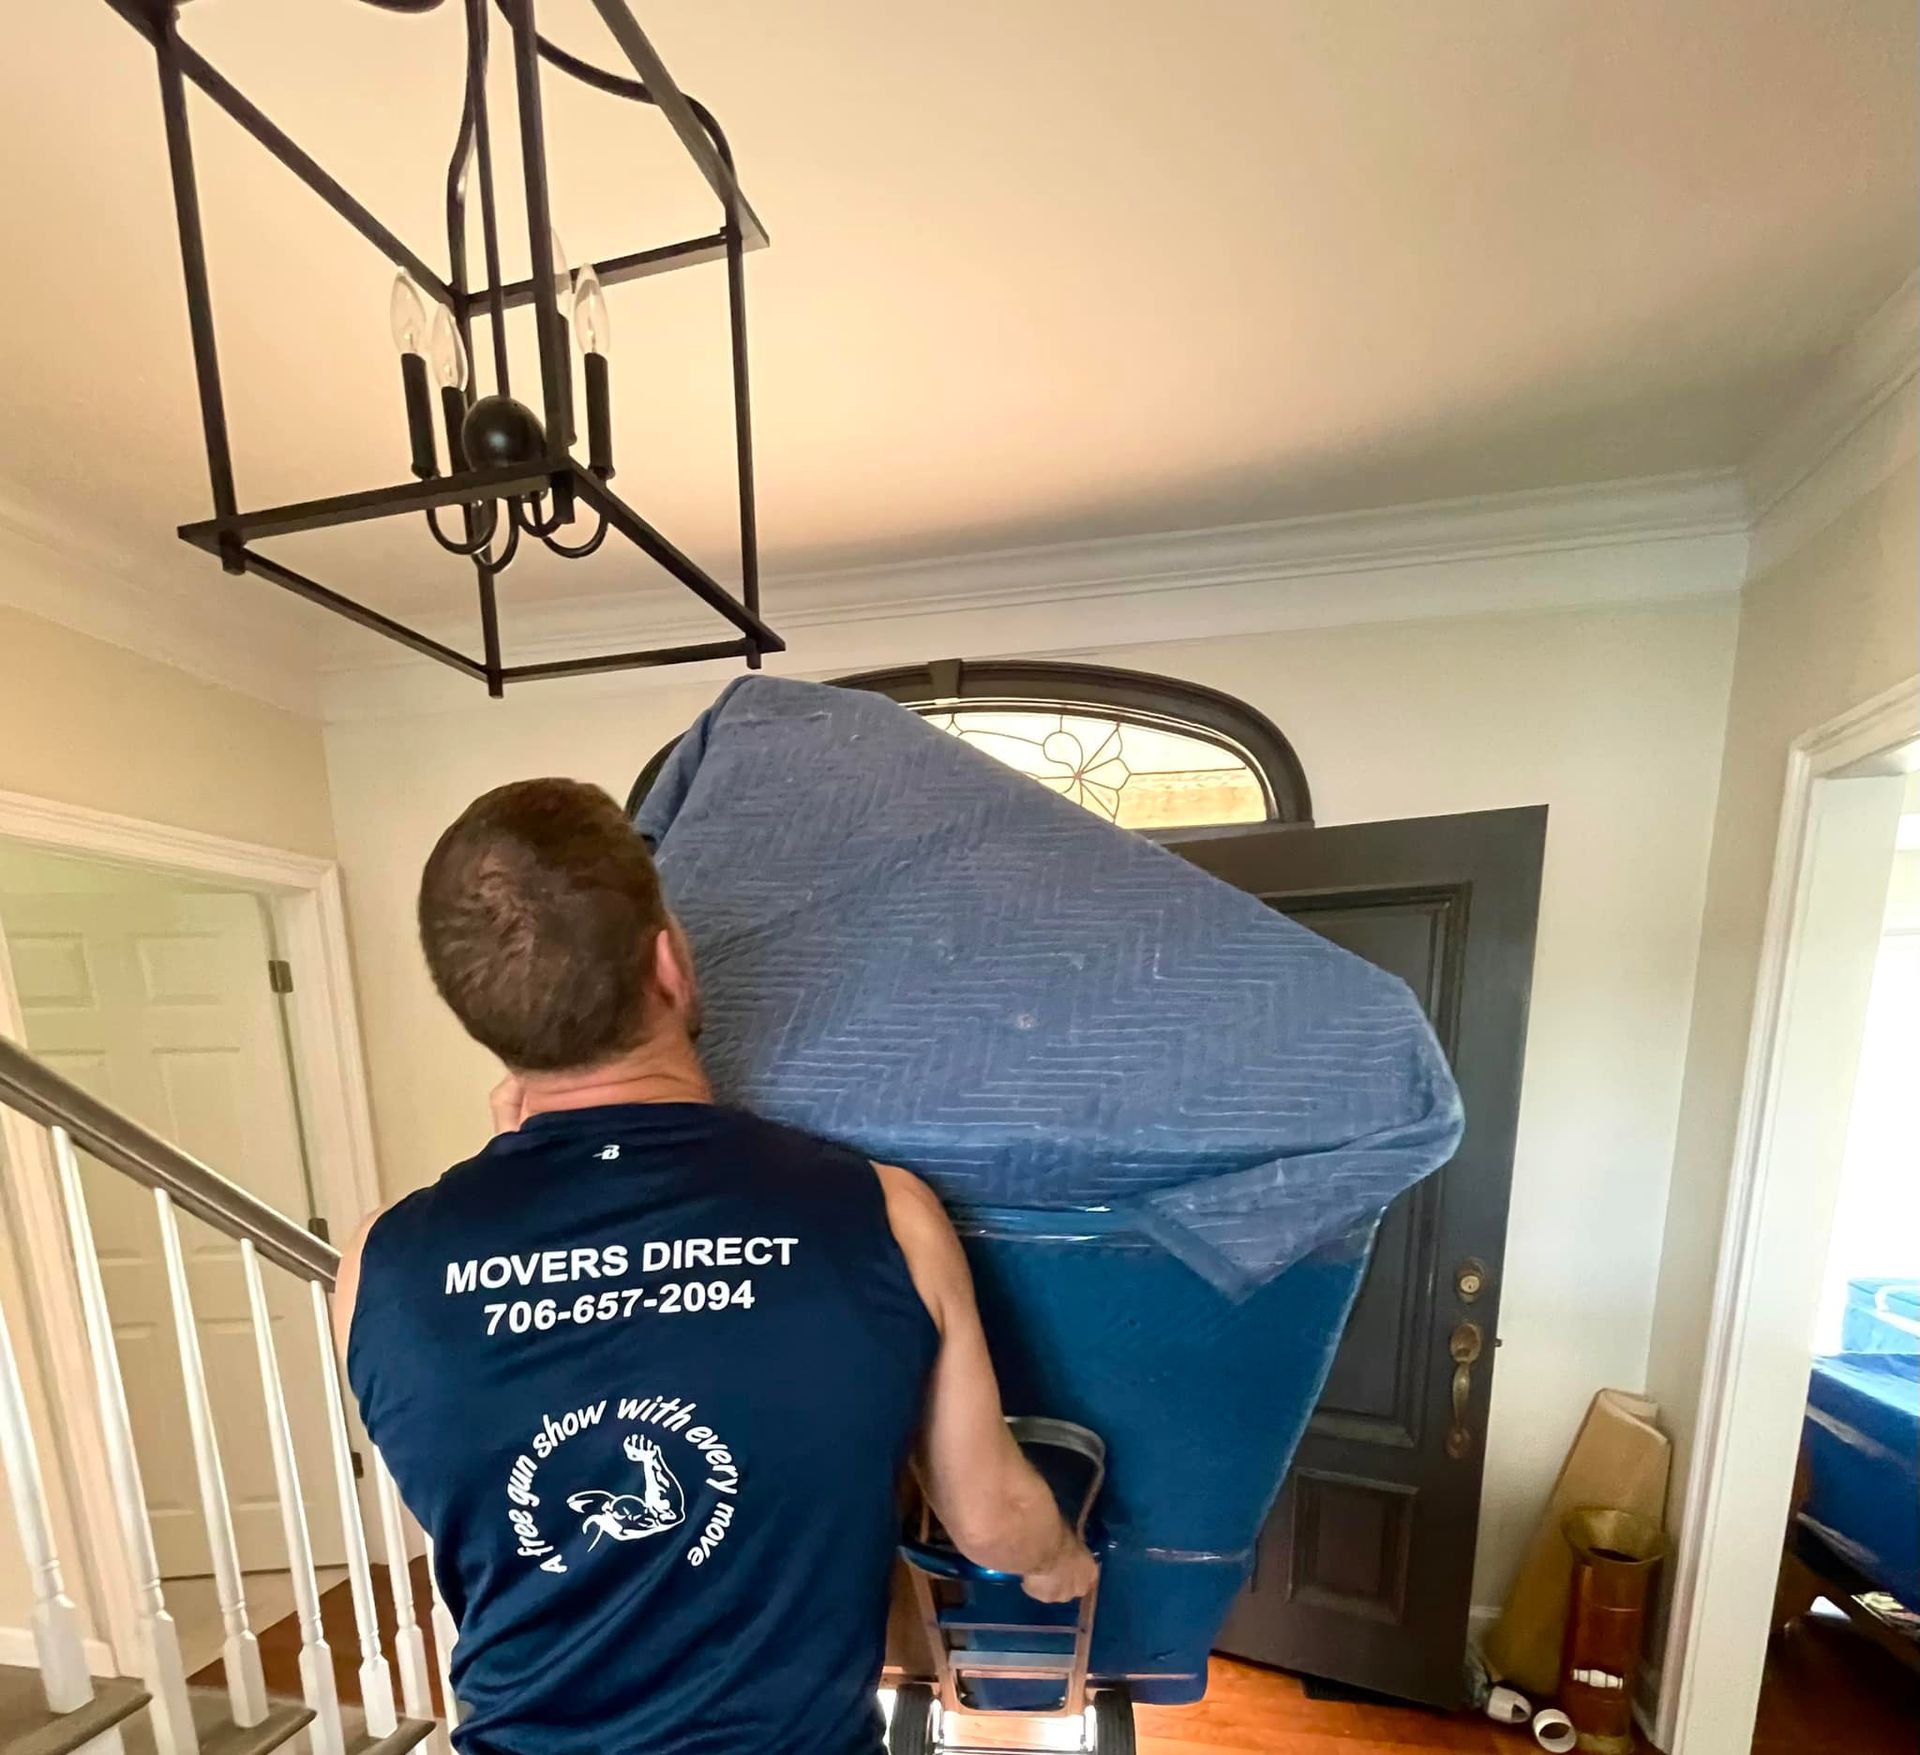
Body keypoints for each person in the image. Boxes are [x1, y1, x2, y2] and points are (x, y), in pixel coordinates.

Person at [336, 777, 1097, 1755]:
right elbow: (989, 1519)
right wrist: (1061, 1561)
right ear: (671, 964)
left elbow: (470, 1500)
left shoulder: (380, 1265)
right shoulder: (883, 1212)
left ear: (481, 1015)